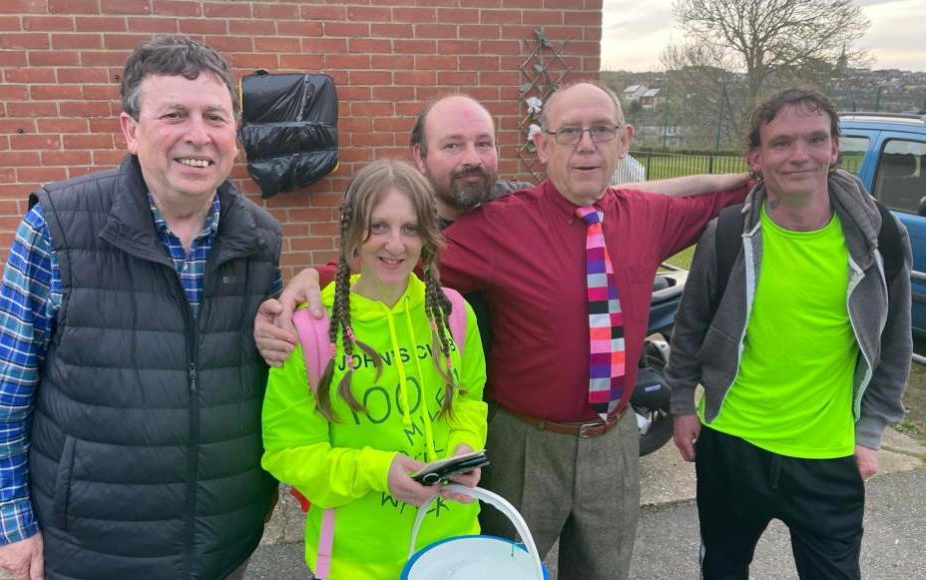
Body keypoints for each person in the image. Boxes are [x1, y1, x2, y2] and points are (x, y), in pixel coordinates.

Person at [257, 84, 751, 578]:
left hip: (614, 437)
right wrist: (308, 282)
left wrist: (763, 172)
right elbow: (393, 255)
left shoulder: (646, 214)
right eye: (570, 132)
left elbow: (721, 202)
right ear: (542, 145)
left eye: (601, 131)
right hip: (526, 444)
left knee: (606, 569)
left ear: (624, 141)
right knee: (502, 564)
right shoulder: (500, 225)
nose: (586, 145)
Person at [0, 35, 282, 579]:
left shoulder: (259, 239)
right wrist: (10, 523)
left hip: (225, 543)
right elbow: (0, 396)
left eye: (215, 116)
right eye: (174, 114)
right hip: (92, 549)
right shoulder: (58, 227)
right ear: (131, 131)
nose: (198, 135)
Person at [253, 93, 749, 363]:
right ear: (419, 158)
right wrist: (306, 281)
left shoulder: (515, 205)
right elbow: (371, 266)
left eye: (483, 143)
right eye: (452, 146)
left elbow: (628, 199)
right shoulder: (402, 231)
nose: (472, 160)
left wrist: (733, 178)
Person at [665, 88, 912, 579]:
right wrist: (680, 405)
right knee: (723, 568)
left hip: (829, 455)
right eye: (781, 144)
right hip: (732, 443)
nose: (800, 155)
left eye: (815, 139)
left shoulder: (879, 235)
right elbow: (690, 327)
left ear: (835, 148)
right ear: (756, 158)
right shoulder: (729, 233)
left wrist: (870, 433)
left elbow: (895, 344)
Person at [261, 159, 487, 579]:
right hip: (355, 562)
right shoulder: (308, 330)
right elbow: (288, 453)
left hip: (452, 547)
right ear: (352, 235)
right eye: (378, 226)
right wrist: (377, 471)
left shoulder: (454, 313)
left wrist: (463, 447)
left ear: (428, 237)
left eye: (410, 228)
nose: (396, 244)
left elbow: (469, 399)